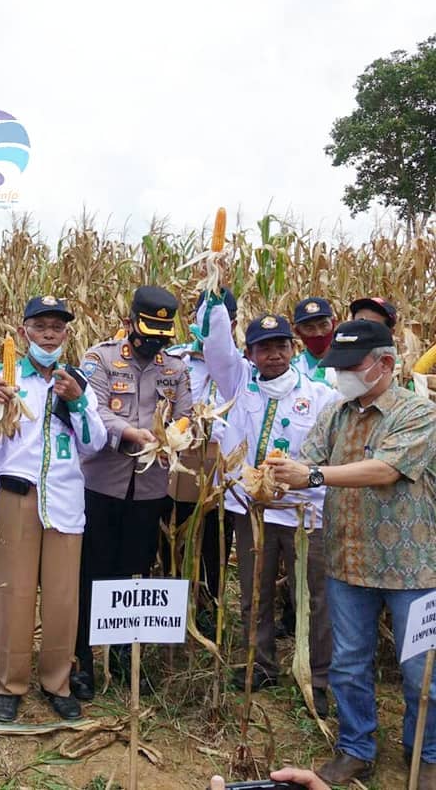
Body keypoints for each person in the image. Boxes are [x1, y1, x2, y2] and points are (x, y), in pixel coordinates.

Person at [266, 320, 436, 785]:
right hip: (348, 562)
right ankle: (356, 746)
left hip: (413, 568)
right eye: (336, 366)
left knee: (422, 671)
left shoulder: (417, 414)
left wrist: (314, 476)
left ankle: (426, 752)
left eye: (352, 365)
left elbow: (385, 469)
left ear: (385, 364)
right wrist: (272, 478)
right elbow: (305, 461)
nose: (342, 374)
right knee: (347, 663)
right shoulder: (336, 414)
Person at [199, 290, 337, 716]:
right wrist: (214, 301)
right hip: (251, 511)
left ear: (293, 349)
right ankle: (260, 665)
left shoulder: (320, 395)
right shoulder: (239, 383)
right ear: (250, 353)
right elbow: (216, 344)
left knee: (312, 597)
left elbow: (328, 454)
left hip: (303, 512)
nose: (273, 355)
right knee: (254, 594)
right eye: (263, 348)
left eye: (280, 346)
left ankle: (319, 676)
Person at [0, 296, 106, 722]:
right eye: (40, 327)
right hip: (17, 496)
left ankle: (57, 681)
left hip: (64, 499)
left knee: (61, 597)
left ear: (67, 335)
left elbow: (95, 444)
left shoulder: (78, 383)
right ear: (24, 333)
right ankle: (10, 684)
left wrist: (75, 401)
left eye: (57, 327)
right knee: (14, 594)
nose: (49, 334)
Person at [72, 285, 192, 698]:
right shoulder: (100, 358)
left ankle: (123, 655)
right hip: (102, 484)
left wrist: (174, 435)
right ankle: (82, 659)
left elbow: (186, 415)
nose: (154, 342)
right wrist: (129, 433)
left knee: (133, 570)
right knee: (93, 571)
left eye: (163, 335)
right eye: (147, 333)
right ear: (129, 324)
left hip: (150, 488)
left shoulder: (175, 368)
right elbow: (95, 410)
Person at [166, 287, 238, 633]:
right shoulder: (170, 359)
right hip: (172, 460)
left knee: (212, 543)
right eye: (202, 320)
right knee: (169, 537)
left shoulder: (240, 367)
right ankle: (168, 611)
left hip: (218, 465)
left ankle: (208, 610)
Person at [292, 297, 337, 387]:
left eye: (323, 325)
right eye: (309, 328)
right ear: (297, 331)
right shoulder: (292, 370)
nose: (318, 333)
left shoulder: (350, 364)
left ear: (333, 323)